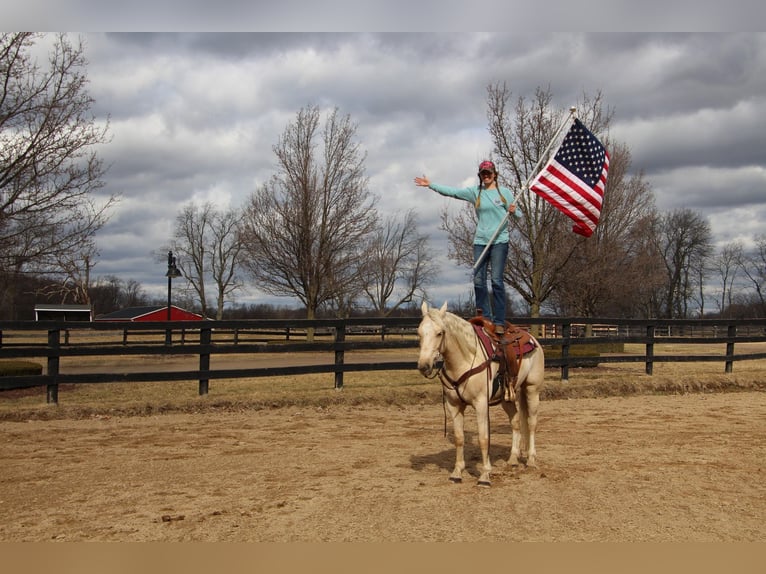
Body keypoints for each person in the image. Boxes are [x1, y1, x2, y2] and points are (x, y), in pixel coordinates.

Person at [414, 160, 521, 333]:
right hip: (480, 241)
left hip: (499, 241)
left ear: (495, 174)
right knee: (478, 281)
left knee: (496, 280)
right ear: (480, 176)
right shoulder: (475, 192)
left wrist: (514, 210)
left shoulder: (505, 193)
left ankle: (499, 321)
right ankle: (485, 318)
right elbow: (453, 192)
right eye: (483, 174)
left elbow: (519, 215)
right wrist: (431, 185)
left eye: (489, 173)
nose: (486, 176)